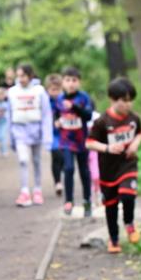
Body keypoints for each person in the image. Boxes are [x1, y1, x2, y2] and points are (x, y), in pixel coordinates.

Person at [87, 77, 141, 254]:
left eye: (130, 100)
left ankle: (129, 224)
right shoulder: (102, 122)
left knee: (128, 195)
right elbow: (89, 143)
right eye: (124, 101)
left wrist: (135, 144)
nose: (128, 105)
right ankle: (114, 240)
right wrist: (108, 148)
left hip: (128, 165)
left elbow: (140, 133)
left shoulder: (133, 119)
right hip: (108, 170)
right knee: (110, 206)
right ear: (113, 99)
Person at [7, 63, 53, 207]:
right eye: (18, 76)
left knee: (37, 161)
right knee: (23, 160)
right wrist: (11, 138)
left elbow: (46, 114)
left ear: (30, 75)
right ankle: (25, 191)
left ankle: (37, 190)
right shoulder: (12, 92)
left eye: (23, 76)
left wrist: (47, 137)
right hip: (19, 130)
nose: (21, 79)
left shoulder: (39, 91)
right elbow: (9, 114)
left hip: (36, 130)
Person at [53, 67, 95, 217]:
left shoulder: (83, 98)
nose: (71, 84)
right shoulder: (59, 99)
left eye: (74, 80)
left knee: (84, 171)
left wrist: (75, 108)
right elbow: (56, 115)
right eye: (67, 80)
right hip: (66, 142)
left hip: (82, 141)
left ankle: (87, 201)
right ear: (63, 82)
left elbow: (89, 115)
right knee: (69, 169)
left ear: (79, 82)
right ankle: (68, 201)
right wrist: (56, 122)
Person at [45, 73, 64, 196]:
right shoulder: (45, 101)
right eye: (52, 89)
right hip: (52, 134)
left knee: (63, 158)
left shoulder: (64, 100)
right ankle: (57, 182)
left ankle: (60, 178)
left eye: (58, 89)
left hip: (65, 134)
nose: (55, 92)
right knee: (56, 156)